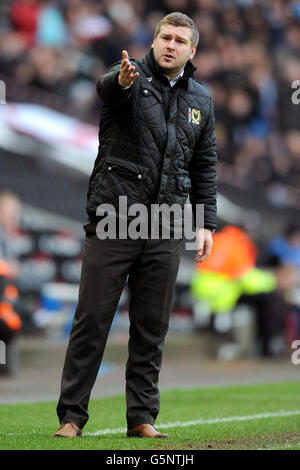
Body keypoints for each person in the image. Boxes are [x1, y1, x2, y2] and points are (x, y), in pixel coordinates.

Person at [53, 12, 217, 438]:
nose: (171, 45)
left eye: (180, 40)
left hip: (165, 223)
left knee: (152, 327)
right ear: (154, 39)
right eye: (165, 36)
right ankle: (72, 417)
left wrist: (205, 223)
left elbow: (204, 165)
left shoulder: (201, 99)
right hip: (115, 218)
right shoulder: (127, 76)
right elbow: (108, 89)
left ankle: (142, 418)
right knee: (92, 320)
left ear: (191, 50)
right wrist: (122, 81)